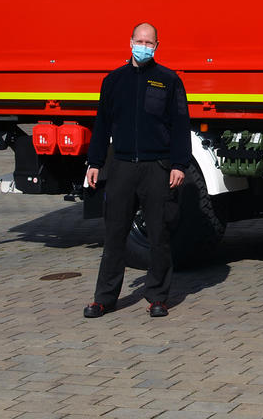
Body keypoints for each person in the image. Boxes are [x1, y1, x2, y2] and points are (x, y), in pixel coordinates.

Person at [83, 22, 191, 318]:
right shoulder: (113, 80)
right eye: (139, 41)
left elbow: (180, 124)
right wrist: (95, 162)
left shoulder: (168, 80)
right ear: (130, 42)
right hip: (121, 167)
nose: (144, 46)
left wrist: (179, 164)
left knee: (159, 235)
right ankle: (104, 298)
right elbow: (102, 124)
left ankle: (158, 297)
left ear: (157, 46)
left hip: (156, 168)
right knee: (114, 234)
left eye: (149, 42)